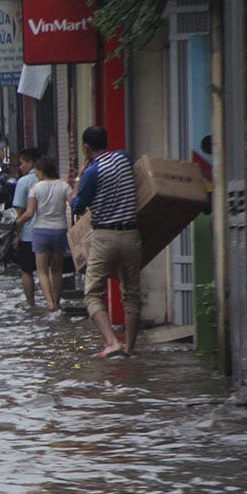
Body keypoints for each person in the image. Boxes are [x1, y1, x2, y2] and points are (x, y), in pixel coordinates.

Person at [71, 125, 141, 358]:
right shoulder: (124, 158)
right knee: (131, 293)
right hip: (131, 235)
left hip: (105, 237)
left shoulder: (92, 172)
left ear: (86, 148)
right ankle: (130, 347)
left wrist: (81, 174)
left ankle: (112, 343)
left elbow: (77, 206)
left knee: (92, 293)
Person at [15, 157, 73, 313]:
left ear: (41, 171)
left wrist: (17, 223)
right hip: (60, 230)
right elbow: (74, 204)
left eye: (38, 172)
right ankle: (57, 301)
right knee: (56, 270)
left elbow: (29, 213)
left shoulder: (36, 188)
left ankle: (49, 303)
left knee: (42, 270)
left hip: (41, 231)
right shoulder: (64, 186)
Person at [13, 148, 42, 307]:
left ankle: (31, 305)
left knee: (26, 270)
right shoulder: (51, 179)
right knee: (50, 270)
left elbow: (20, 212)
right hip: (50, 231)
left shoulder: (23, 182)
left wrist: (16, 235)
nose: (20, 167)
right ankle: (53, 303)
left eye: (22, 163)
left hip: (29, 234)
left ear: (30, 163)